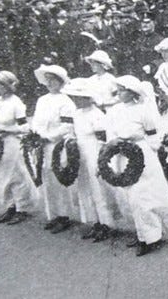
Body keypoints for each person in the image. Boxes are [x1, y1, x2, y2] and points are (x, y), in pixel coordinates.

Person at [107, 75, 168, 256]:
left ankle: (151, 237)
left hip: (141, 154)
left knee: (143, 196)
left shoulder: (143, 111)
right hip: (122, 153)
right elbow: (110, 132)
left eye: (123, 90)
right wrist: (115, 148)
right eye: (119, 90)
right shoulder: (114, 111)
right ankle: (141, 233)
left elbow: (153, 135)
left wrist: (148, 151)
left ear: (132, 93)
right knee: (130, 197)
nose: (120, 93)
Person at [62, 78, 116, 242]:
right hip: (80, 153)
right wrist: (70, 141)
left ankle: (106, 224)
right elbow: (71, 131)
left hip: (94, 152)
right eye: (73, 98)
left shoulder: (97, 114)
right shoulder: (77, 113)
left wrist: (101, 159)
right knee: (85, 188)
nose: (75, 101)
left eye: (78, 97)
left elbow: (102, 139)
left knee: (98, 188)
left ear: (87, 98)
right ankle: (95, 222)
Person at [0, 71, 34, 225]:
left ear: (7, 86)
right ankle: (10, 206)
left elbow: (25, 127)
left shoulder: (16, 103)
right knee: (0, 174)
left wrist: (8, 131)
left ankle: (22, 209)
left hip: (12, 143)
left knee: (16, 176)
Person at [31, 64, 76, 233]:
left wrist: (49, 136)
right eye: (47, 80)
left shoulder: (66, 101)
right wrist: (36, 135)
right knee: (46, 178)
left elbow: (67, 126)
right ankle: (53, 214)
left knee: (58, 178)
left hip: (57, 145)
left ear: (60, 82)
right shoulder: (42, 100)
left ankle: (64, 216)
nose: (50, 83)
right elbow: (35, 121)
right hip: (41, 145)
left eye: (53, 80)